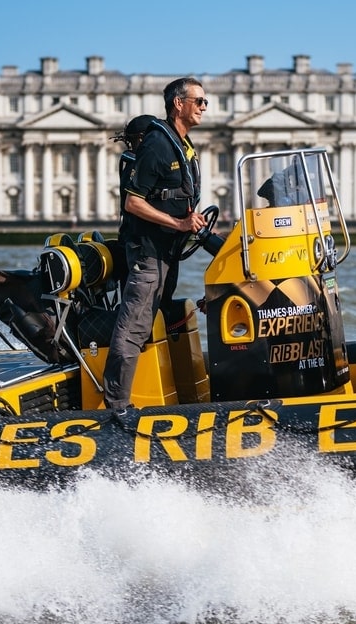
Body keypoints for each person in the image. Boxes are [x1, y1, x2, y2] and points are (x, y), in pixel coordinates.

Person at [102, 78, 208, 410]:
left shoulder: (184, 146)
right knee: (134, 325)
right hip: (148, 253)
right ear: (179, 103)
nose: (205, 107)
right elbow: (133, 203)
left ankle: (175, 390)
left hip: (169, 252)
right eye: (200, 101)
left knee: (161, 317)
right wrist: (179, 223)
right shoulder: (158, 145)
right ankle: (116, 405)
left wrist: (193, 224)